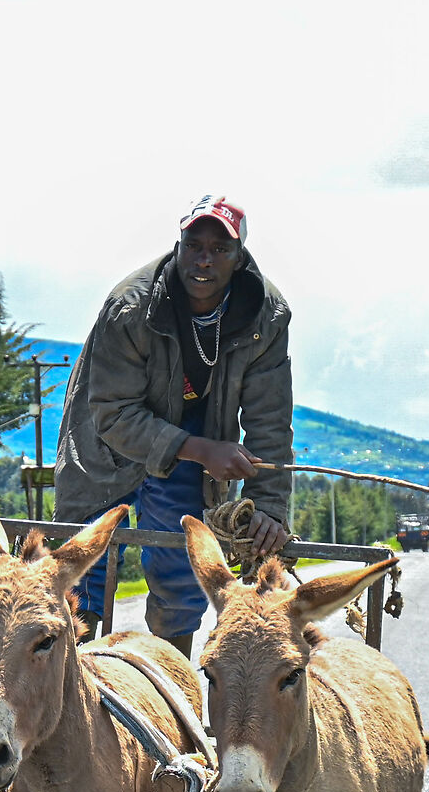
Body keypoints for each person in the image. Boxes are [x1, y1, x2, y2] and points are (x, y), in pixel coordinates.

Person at [54, 195, 293, 660]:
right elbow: (112, 412)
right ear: (178, 244)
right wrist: (203, 450)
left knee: (180, 576)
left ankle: (170, 685)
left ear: (239, 256)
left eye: (220, 249)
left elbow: (270, 419)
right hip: (103, 444)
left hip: (189, 444)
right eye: (194, 245)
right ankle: (75, 695)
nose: (204, 259)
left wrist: (269, 505)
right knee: (84, 576)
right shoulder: (130, 307)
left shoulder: (267, 316)